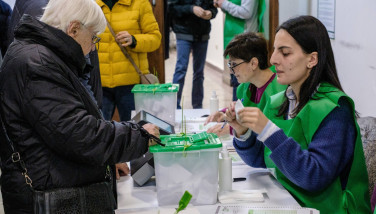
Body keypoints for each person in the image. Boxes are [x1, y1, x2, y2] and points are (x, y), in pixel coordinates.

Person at [0, 0, 160, 213]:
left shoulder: (42, 54)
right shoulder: (37, 63)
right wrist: (138, 135)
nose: (93, 47)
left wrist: (109, 158)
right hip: (48, 196)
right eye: (94, 37)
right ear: (73, 28)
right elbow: (79, 134)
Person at [225, 16, 371, 213]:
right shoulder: (279, 101)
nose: (273, 59)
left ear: (312, 59)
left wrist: (268, 131)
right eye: (275, 50)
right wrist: (243, 133)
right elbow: (263, 160)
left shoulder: (334, 110)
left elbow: (313, 177)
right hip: (288, 201)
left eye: (285, 53)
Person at [205, 32, 286, 137]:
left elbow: (272, 133)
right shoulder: (246, 86)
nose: (231, 70)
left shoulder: (278, 91)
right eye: (230, 64)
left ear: (253, 63)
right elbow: (243, 108)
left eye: (234, 64)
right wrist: (224, 114)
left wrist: (232, 128)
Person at [96, 0, 161, 122]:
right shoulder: (90, 3)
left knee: (135, 132)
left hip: (131, 84)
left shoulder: (139, 3)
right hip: (99, 83)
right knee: (99, 133)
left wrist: (134, 40)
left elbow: (155, 38)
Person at [168, 0, 218, 109]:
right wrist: (191, 9)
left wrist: (211, 13)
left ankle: (197, 106)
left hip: (203, 34)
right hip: (183, 32)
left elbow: (214, 8)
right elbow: (171, 8)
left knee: (199, 72)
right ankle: (174, 106)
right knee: (181, 69)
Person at [213, 0, 265, 101]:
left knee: (241, 84)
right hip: (235, 39)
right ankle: (236, 111)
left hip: (245, 43)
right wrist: (221, 4)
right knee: (236, 81)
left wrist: (224, 3)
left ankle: (238, 112)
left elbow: (246, 12)